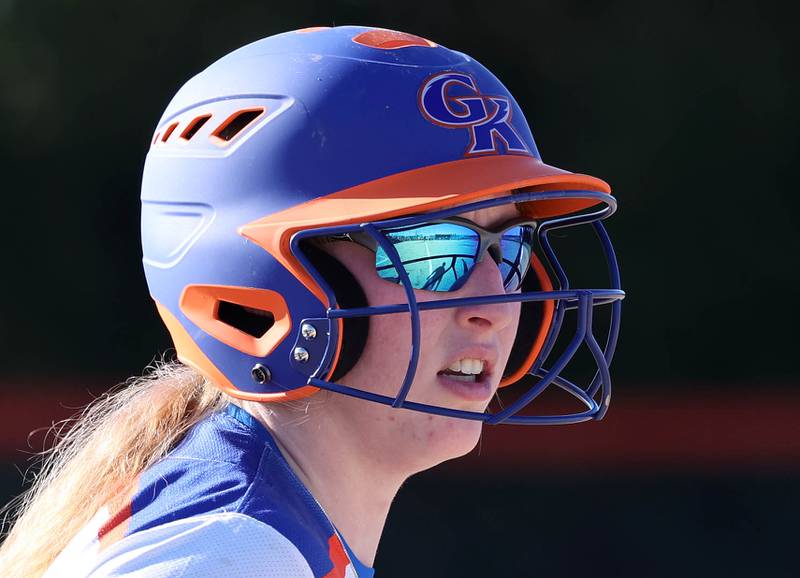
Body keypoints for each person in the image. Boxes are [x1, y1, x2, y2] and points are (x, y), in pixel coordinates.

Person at [0, 25, 624, 577]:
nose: (495, 299)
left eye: (508, 246)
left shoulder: (251, 524)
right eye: (432, 248)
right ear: (257, 284)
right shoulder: (231, 554)